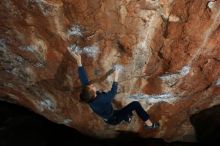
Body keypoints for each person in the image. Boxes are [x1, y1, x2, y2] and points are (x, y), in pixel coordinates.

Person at [69, 50, 160, 129]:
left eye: (90, 86)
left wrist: (79, 61)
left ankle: (127, 117)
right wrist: (116, 75)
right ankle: (150, 125)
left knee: (124, 112)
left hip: (109, 116)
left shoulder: (88, 97)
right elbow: (113, 93)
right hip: (114, 118)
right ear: (94, 94)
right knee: (135, 104)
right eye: (92, 87)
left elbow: (84, 79)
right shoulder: (101, 99)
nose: (92, 85)